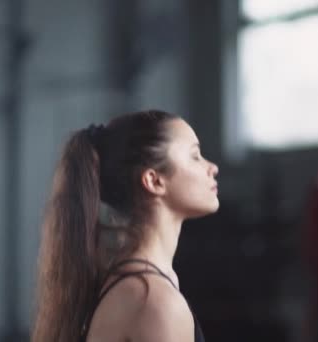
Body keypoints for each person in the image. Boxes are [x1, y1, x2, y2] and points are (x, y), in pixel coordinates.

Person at [32, 110, 219, 342]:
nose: (212, 167)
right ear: (154, 180)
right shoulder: (153, 301)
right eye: (195, 156)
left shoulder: (138, 287)